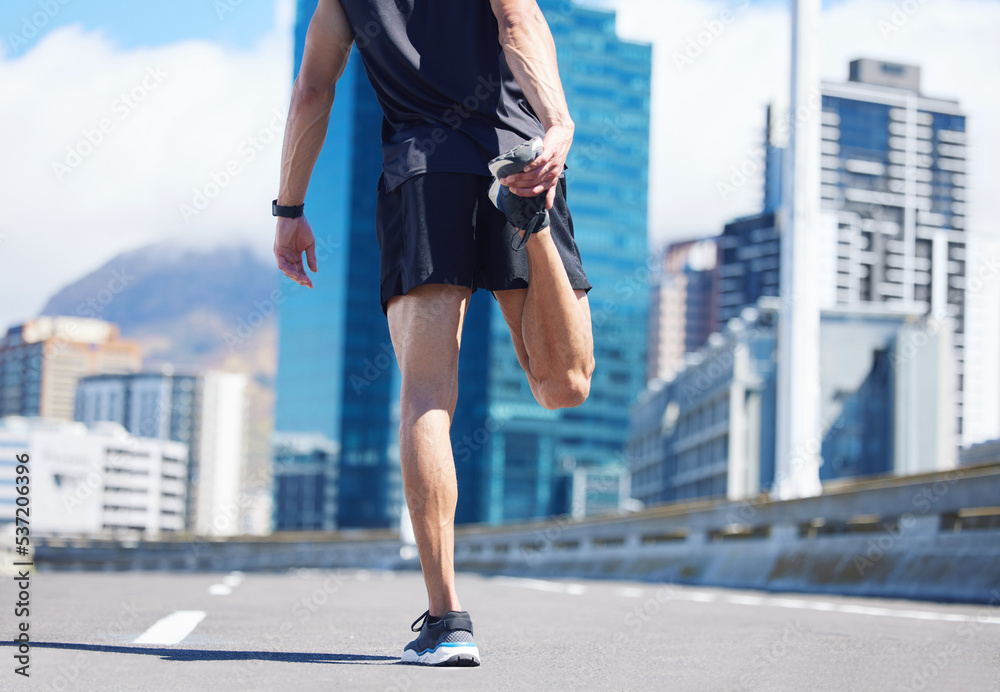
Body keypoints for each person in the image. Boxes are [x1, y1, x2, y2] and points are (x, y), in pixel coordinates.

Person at [272, 0, 595, 667]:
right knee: (563, 385)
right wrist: (557, 121)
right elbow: (517, 23)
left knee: (427, 399)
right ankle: (527, 221)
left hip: (423, 174)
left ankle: (448, 621)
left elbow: (312, 91)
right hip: (518, 153)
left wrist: (289, 209)